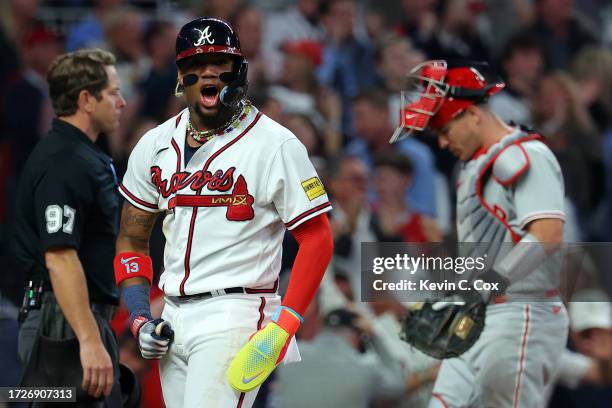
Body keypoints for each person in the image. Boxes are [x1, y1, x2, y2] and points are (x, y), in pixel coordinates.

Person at [114, 17, 333, 408]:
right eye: (196, 65)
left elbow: (317, 237)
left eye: (220, 62)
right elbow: (131, 238)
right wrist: (139, 316)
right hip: (172, 316)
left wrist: (287, 324)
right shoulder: (155, 144)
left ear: (239, 70)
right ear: (181, 74)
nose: (209, 73)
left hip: (236, 314)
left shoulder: (275, 144)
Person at [391, 60, 569, 407]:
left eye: (444, 129)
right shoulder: (475, 166)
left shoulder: (524, 154)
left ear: (472, 114)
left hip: (521, 312)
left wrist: (482, 284)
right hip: (477, 314)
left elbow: (547, 234)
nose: (441, 143)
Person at [12, 48, 126, 405]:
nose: (122, 102)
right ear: (86, 100)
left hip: (73, 319)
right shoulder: (65, 162)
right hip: (64, 323)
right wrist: (90, 341)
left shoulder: (80, 155)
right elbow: (60, 257)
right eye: (113, 92)